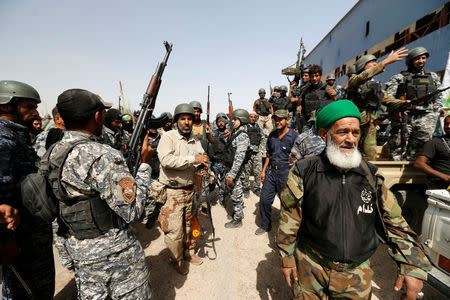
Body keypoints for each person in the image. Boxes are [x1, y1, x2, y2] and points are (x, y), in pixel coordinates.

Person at [277, 100, 431, 299]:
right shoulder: (304, 171)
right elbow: (290, 217)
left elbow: (394, 221)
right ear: (324, 135)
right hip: (310, 267)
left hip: (357, 274)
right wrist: (286, 257)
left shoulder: (371, 175)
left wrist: (412, 264)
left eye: (355, 132)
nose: (350, 139)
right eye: (342, 132)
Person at [51, 88, 153, 299]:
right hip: (116, 256)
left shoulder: (54, 152)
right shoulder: (102, 155)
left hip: (79, 252)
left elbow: (55, 209)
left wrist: (65, 254)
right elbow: (134, 211)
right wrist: (144, 166)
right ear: (98, 116)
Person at [0, 80, 55, 299]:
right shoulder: (3, 140)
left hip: (33, 236)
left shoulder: (18, 135)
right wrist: (5, 240)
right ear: (6, 106)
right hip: (17, 240)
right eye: (28, 107)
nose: (35, 113)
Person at [157, 103, 207, 275]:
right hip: (173, 192)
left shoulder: (194, 139)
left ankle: (186, 253)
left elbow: (203, 159)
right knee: (174, 230)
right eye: (183, 119)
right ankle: (176, 259)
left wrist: (204, 166)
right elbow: (166, 160)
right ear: (176, 120)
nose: (186, 122)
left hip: (190, 190)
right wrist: (193, 159)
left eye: (189, 119)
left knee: (187, 226)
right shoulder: (168, 137)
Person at [347, 48, 408, 160]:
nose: (375, 64)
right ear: (362, 65)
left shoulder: (375, 85)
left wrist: (404, 103)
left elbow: (387, 99)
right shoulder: (354, 80)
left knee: (371, 156)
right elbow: (362, 77)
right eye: (372, 62)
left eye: (376, 62)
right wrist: (385, 62)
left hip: (370, 125)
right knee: (350, 152)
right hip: (355, 124)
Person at [386, 46, 444, 161]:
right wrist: (399, 107)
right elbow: (388, 97)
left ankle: (414, 174)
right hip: (404, 115)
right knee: (398, 145)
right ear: (410, 61)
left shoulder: (433, 77)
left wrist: (438, 108)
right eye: (417, 59)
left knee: (420, 147)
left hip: (426, 117)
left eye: (423, 58)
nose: (421, 61)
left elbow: (438, 95)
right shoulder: (399, 77)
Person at [255, 109, 299, 235]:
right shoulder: (272, 135)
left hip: (286, 173)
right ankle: (265, 224)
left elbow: (298, 158)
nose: (278, 122)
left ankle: (286, 230)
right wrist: (263, 171)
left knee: (286, 203)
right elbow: (269, 155)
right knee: (264, 199)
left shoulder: (294, 136)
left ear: (288, 120)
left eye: (281, 119)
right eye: (276, 119)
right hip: (270, 172)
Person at [222, 109, 251, 228]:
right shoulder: (236, 133)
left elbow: (239, 158)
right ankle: (236, 212)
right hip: (230, 168)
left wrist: (231, 175)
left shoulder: (243, 136)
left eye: (235, 119)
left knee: (236, 194)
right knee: (233, 193)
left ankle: (238, 219)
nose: (232, 121)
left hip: (236, 171)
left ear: (242, 120)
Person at [414, 114, 450, 189]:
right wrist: (445, 177)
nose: (448, 126)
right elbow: (419, 164)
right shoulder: (434, 142)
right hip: (439, 186)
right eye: (446, 124)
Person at [298, 65, 334, 131]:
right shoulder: (305, 90)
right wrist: (299, 107)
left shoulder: (327, 88)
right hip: (308, 123)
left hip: (323, 123)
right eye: (312, 76)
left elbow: (333, 104)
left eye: (316, 76)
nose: (314, 79)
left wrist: (333, 95)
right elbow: (300, 104)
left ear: (320, 75)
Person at [243, 111, 266, 198]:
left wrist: (261, 149)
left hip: (257, 153)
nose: (252, 118)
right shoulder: (245, 127)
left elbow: (263, 138)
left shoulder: (259, 127)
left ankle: (257, 188)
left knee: (258, 171)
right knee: (246, 172)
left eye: (254, 117)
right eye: (251, 117)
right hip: (248, 153)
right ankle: (246, 189)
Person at [209, 113, 229, 207]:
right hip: (215, 162)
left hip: (224, 162)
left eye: (222, 121)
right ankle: (209, 200)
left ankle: (222, 199)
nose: (221, 123)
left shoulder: (229, 132)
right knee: (211, 182)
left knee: (224, 184)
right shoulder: (213, 133)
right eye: (218, 121)